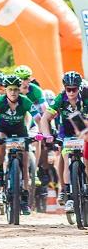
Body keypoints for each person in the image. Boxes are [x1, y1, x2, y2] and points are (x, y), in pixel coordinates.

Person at [0, 75, 41, 215]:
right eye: (10, 90)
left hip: (20, 130)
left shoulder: (25, 101)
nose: (13, 92)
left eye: (15, 89)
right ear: (5, 90)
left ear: (19, 90)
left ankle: (25, 201)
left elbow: (38, 119)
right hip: (2, 128)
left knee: (25, 166)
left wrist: (39, 133)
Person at [40, 71, 87, 212]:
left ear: (79, 88)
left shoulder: (86, 97)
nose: (71, 92)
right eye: (68, 89)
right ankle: (69, 194)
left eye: (74, 89)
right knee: (66, 159)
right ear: (64, 88)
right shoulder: (60, 98)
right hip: (66, 132)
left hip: (83, 129)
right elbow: (44, 119)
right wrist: (47, 135)